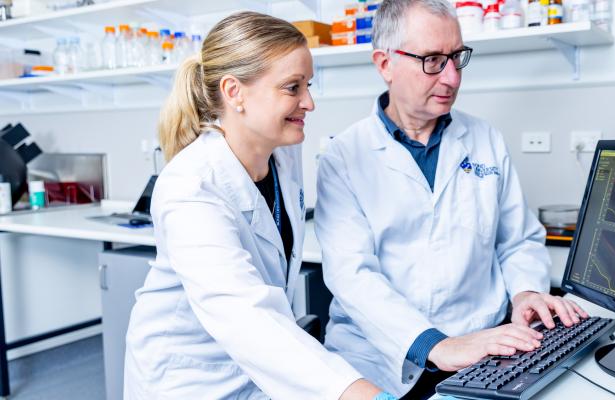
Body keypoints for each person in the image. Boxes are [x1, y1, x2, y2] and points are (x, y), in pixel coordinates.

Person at [315, 0, 588, 398]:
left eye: (457, 57)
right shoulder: (344, 156)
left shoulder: (485, 140)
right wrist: (434, 344)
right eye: (432, 60)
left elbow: (517, 240)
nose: (452, 77)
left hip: (484, 347)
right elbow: (352, 277)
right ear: (385, 63)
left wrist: (526, 291)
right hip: (378, 359)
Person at [123, 11, 389, 400]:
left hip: (256, 369)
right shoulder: (191, 187)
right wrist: (360, 394)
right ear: (234, 92)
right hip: (189, 378)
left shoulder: (283, 156)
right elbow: (242, 313)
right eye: (292, 87)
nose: (309, 102)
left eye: (308, 85)